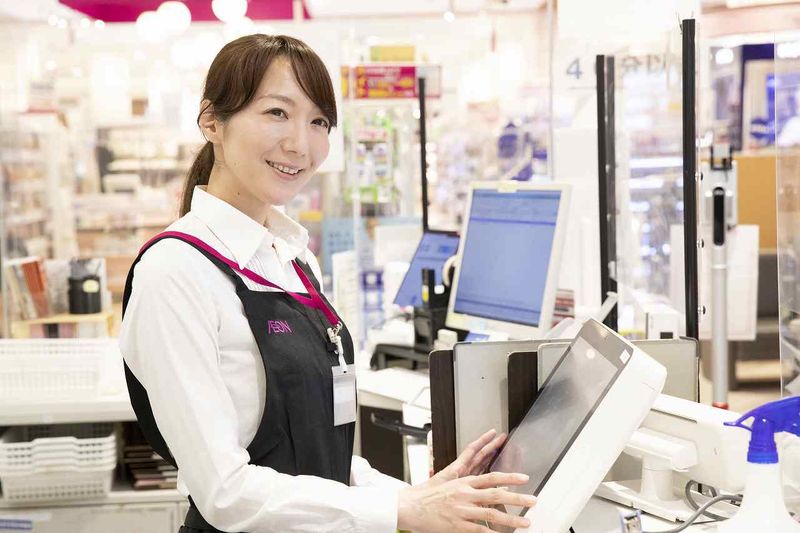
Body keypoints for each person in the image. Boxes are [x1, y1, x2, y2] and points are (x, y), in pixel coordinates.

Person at [119, 34, 535, 533]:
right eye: (277, 113)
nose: (301, 143)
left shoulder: (295, 260)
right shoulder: (174, 272)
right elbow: (224, 492)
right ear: (212, 122)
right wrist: (403, 511)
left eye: (319, 121)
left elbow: (320, 460)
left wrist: (419, 497)